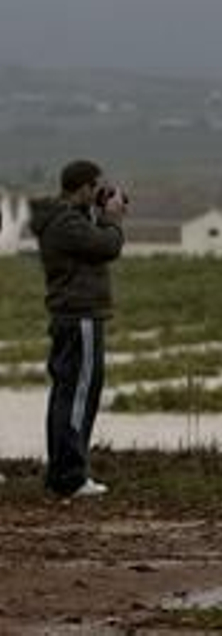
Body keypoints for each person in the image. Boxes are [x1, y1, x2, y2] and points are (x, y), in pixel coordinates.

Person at [28, 160, 127, 498]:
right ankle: (70, 477)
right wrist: (113, 218)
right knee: (79, 394)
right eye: (96, 187)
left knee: (67, 395)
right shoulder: (66, 223)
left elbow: (93, 242)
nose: (99, 191)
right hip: (80, 317)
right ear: (83, 187)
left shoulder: (65, 218)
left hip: (72, 316)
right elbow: (107, 246)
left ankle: (61, 474)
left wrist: (99, 214)